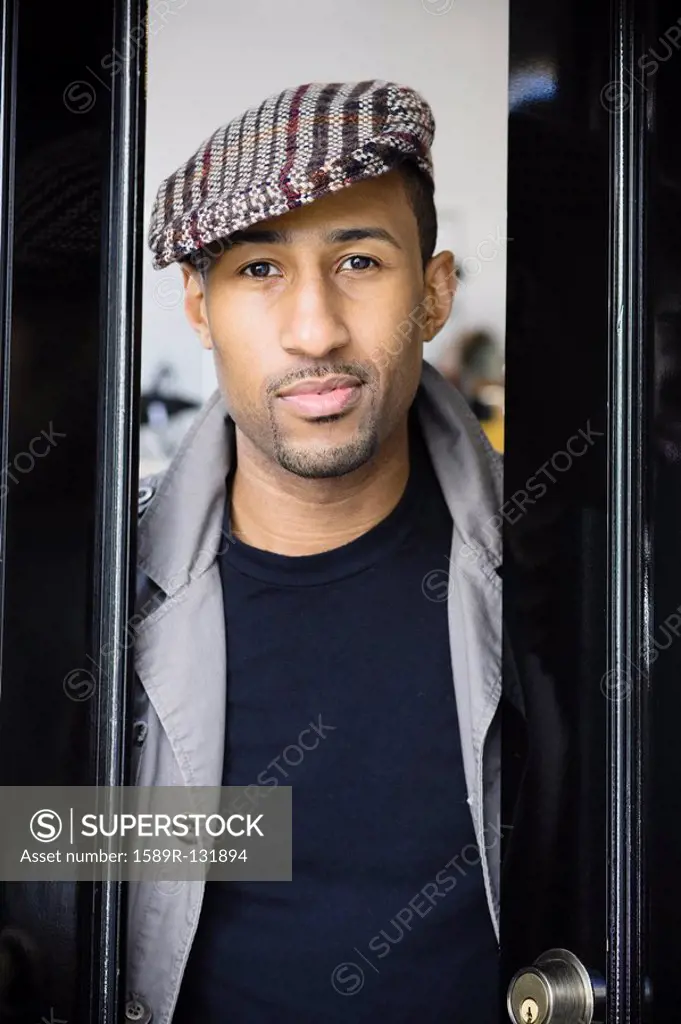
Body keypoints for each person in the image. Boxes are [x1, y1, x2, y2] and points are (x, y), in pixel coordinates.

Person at [126, 80, 504, 1024]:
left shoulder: (580, 578)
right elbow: (50, 867)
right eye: (257, 270)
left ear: (433, 291)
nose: (314, 330)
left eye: (360, 261)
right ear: (198, 308)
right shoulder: (86, 591)